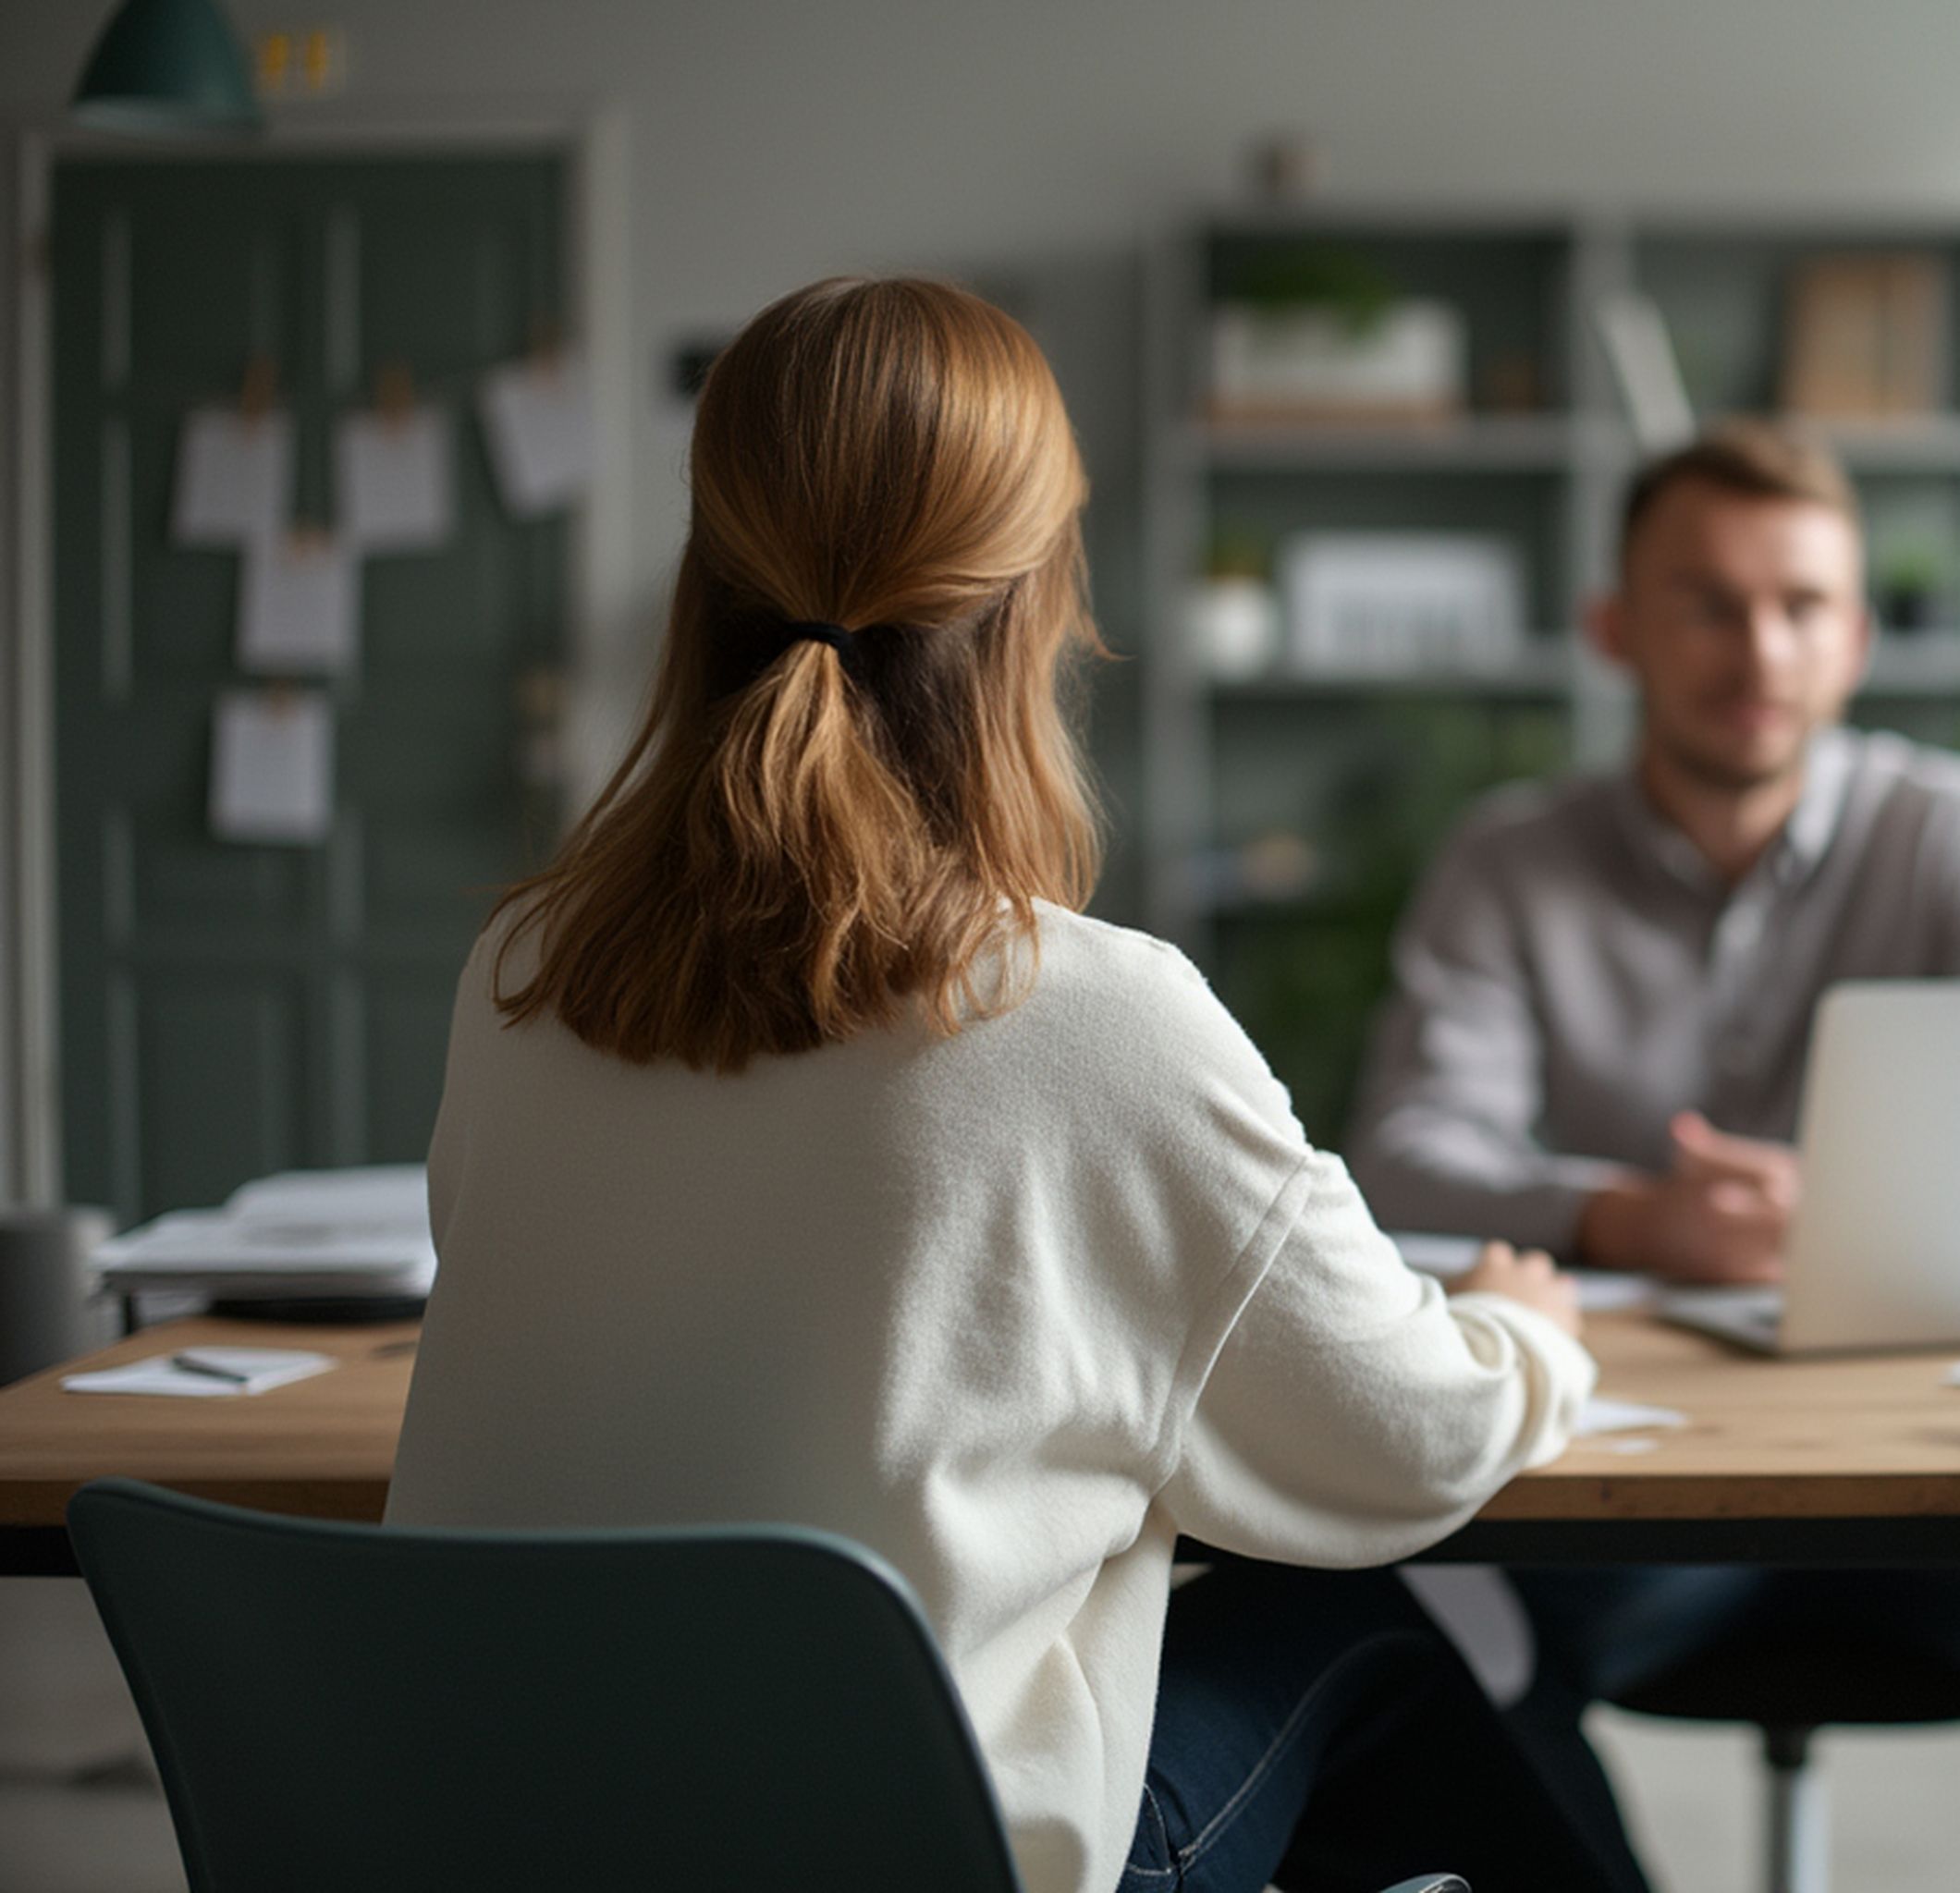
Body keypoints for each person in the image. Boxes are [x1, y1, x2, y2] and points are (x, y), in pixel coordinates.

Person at [386, 276, 1624, 1893]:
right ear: (1039, 601)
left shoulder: (521, 978)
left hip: (497, 1839)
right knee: (1350, 1620)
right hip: (909, 1851)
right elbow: (1398, 1442)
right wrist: (1533, 1336)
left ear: (703, 581)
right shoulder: (1097, 1020)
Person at [1348, 421, 1960, 1893]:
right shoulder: (1509, 858)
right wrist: (1630, 1219)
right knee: (1424, 1656)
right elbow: (1406, 1156)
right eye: (1707, 601)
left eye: (1803, 605)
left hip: (1948, 1470)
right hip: (1632, 1484)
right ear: (1614, 628)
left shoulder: (1953, 830)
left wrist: (1859, 1208)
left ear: (1858, 637)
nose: (1761, 648)